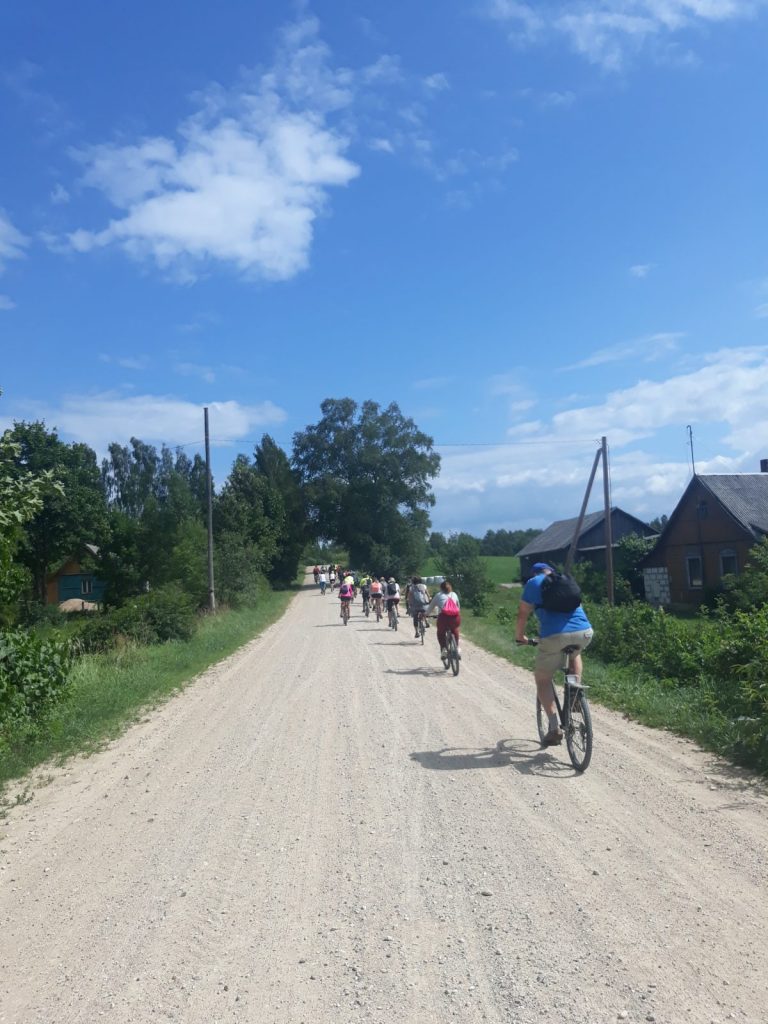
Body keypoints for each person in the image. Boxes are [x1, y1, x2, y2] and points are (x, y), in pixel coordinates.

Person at [515, 562, 593, 746]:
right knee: (575, 654)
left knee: (543, 679)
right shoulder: (565, 581)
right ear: (550, 571)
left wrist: (520, 637)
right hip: (584, 632)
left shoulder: (534, 583)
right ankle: (574, 693)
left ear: (534, 573)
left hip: (554, 635)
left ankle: (553, 727)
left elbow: (523, 614)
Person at [425, 579, 461, 659]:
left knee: (441, 633)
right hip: (455, 617)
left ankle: (444, 649)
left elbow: (431, 607)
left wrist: (426, 614)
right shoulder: (454, 594)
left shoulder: (438, 595)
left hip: (443, 618)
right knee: (455, 629)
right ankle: (457, 649)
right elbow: (458, 607)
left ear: (441, 588)